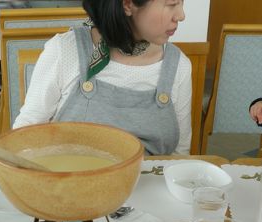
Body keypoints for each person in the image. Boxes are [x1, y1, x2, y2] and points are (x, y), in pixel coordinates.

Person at [13, 0, 192, 155]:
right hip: (74, 186)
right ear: (128, 4)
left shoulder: (178, 66)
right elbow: (25, 135)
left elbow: (178, 155)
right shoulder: (65, 52)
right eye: (171, 4)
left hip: (149, 190)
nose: (181, 15)